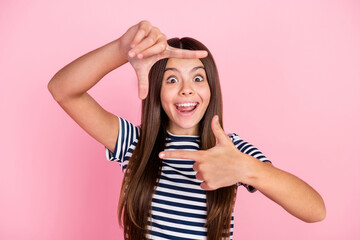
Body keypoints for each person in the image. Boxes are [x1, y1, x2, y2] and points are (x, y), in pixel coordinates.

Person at [48, 20, 326, 240]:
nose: (186, 89)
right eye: (171, 79)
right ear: (156, 90)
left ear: (211, 88)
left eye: (197, 77)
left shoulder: (231, 151)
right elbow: (62, 90)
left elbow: (315, 211)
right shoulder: (134, 142)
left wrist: (247, 169)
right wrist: (122, 50)